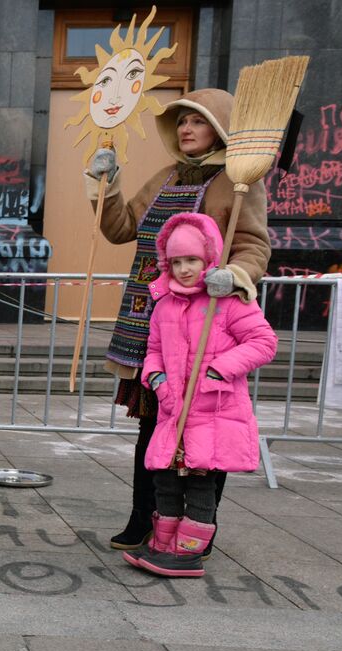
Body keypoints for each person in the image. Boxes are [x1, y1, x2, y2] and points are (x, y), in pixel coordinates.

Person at [84, 89, 270, 551]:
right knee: (154, 427)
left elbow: (254, 245)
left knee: (210, 432)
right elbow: (121, 227)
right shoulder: (166, 177)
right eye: (182, 121)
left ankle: (199, 528)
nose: (186, 128)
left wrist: (236, 275)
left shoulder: (240, 180)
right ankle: (145, 517)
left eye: (197, 121)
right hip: (154, 325)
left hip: (210, 327)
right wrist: (104, 183)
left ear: (219, 127)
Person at [122, 212, 276, 577]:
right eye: (176, 262)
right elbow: (155, 350)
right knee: (167, 479)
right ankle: (164, 542)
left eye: (191, 260)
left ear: (208, 259)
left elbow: (264, 342)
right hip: (174, 408)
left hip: (213, 409)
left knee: (201, 481)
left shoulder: (231, 301)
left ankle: (190, 550)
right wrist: (156, 377)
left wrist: (219, 368)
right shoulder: (165, 305)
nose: (184, 269)